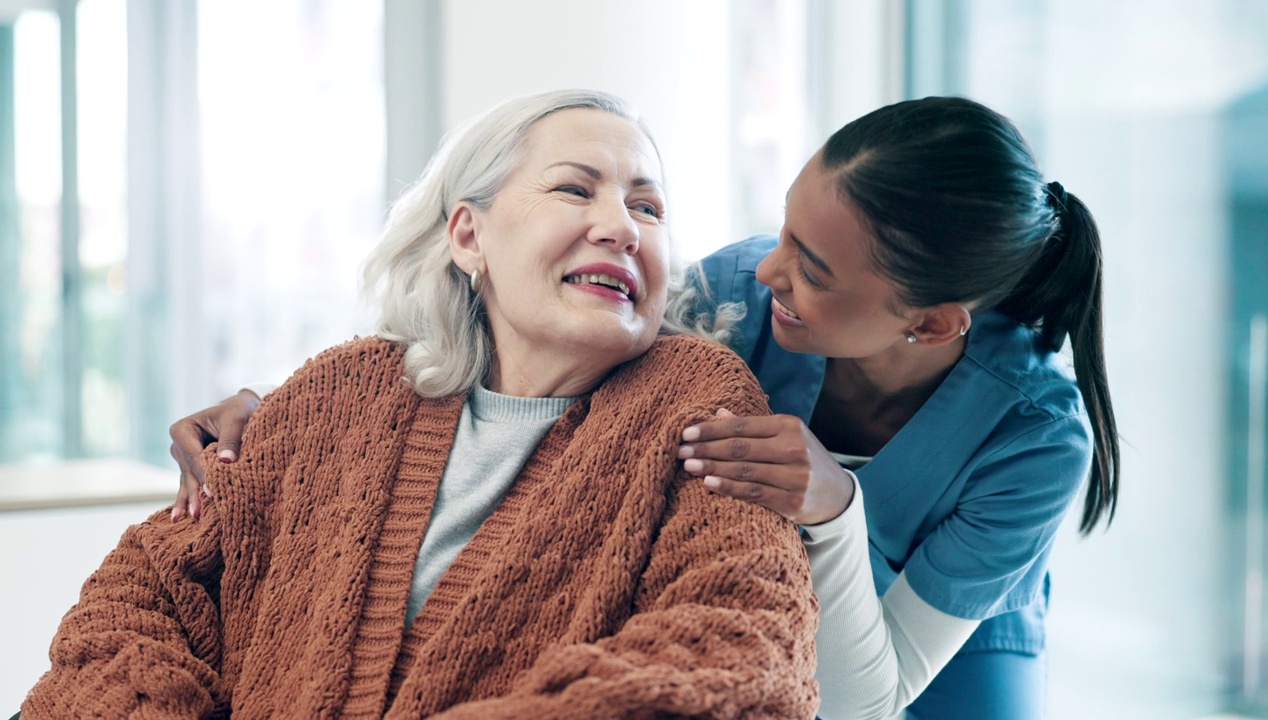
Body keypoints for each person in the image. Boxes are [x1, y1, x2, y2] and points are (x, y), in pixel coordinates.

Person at [168, 96, 1119, 720]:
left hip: (933, 654)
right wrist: (286, 412)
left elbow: (865, 700)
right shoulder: (738, 295)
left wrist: (833, 513)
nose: (769, 267)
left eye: (814, 271)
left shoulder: (1031, 440)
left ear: (935, 320)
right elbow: (504, 333)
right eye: (782, 230)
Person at [21, 90, 821, 719]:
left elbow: (741, 653)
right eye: (576, 189)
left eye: (648, 208)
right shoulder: (343, 395)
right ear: (469, 237)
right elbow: (142, 597)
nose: (620, 226)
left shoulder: (694, 405)